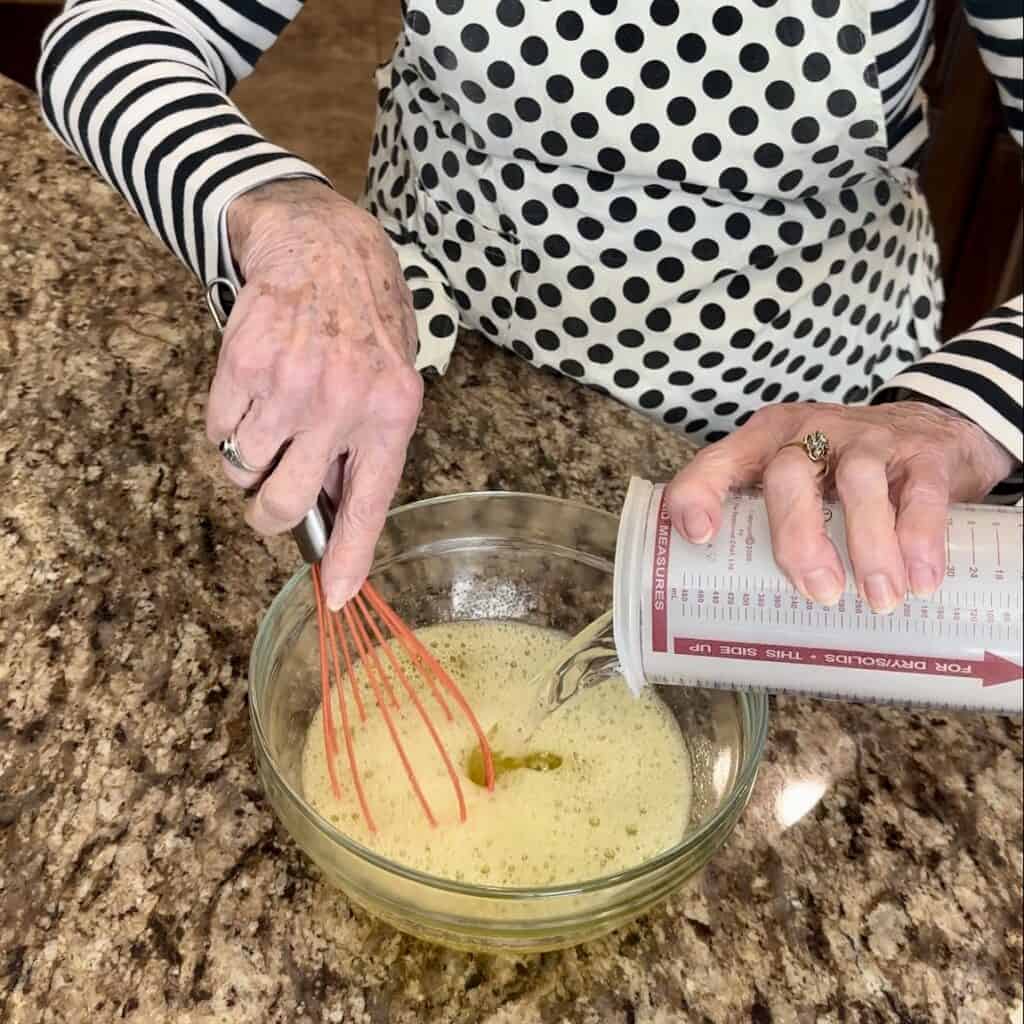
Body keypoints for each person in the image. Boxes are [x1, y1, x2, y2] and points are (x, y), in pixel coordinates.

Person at [38, 1, 1022, 615]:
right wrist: (280, 212)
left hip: (791, 467)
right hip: (434, 398)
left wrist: (954, 417)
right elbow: (110, 36)